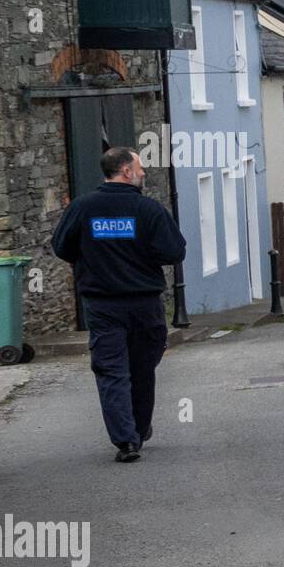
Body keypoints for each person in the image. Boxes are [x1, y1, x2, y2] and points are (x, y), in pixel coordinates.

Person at [52, 147, 187, 462]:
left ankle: (126, 440)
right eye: (139, 168)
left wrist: (92, 259)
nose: (142, 173)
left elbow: (61, 246)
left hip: (101, 305)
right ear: (126, 171)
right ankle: (136, 432)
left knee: (111, 370)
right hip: (144, 303)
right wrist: (142, 256)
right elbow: (174, 252)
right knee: (142, 367)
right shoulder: (148, 210)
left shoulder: (82, 208)